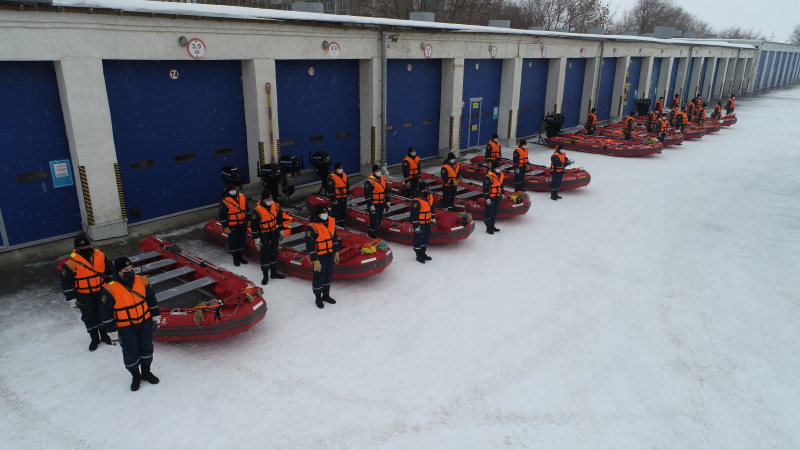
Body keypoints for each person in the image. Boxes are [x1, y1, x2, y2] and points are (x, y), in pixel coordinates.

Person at [99, 257, 161, 392]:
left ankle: (146, 372)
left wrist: (156, 316)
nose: (129, 271)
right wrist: (112, 332)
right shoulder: (109, 289)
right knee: (130, 352)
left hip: (144, 322)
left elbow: (151, 299)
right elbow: (106, 313)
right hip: (125, 327)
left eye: (130, 268)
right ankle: (136, 376)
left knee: (146, 348)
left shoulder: (142, 280)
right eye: (126, 270)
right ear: (118, 271)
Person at [60, 233, 115, 351]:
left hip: (101, 291)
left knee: (103, 314)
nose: (84, 248)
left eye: (86, 246)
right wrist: (71, 298)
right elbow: (66, 282)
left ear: (90, 245)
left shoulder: (101, 255)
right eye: (81, 247)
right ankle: (94, 338)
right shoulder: (70, 263)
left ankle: (105, 335)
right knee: (89, 317)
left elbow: (111, 271)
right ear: (76, 248)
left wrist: (112, 287)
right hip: (84, 295)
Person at [305, 203, 339, 309]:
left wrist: (336, 252)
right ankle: (318, 297)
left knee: (328, 274)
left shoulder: (330, 223)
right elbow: (310, 245)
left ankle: (326, 295)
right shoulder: (312, 227)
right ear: (318, 214)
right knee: (319, 276)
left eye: (326, 212)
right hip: (319, 256)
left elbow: (335, 239)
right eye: (323, 212)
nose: (325, 214)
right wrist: (315, 260)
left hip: (329, 253)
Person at [250, 190, 286, 285]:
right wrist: (256, 238)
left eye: (271, 199)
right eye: (268, 199)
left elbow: (280, 219)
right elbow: (254, 226)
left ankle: (273, 273)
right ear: (263, 199)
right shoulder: (257, 211)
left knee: (274, 252)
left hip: (274, 232)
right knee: (265, 255)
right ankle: (265, 275)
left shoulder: (276, 206)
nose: (270, 201)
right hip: (264, 234)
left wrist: (281, 230)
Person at [219, 184, 249, 267]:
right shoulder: (224, 202)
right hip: (232, 226)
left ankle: (240, 257)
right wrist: (226, 227)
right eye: (231, 190)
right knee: (233, 242)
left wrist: (249, 219)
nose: (233, 191)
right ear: (228, 192)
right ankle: (235, 258)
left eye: (234, 189)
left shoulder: (241, 197)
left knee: (242, 241)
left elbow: (247, 209)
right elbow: (222, 216)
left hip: (242, 224)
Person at [410, 181, 435, 264]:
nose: (426, 190)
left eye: (426, 188)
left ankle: (423, 252)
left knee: (426, 238)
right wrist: (416, 225)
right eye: (424, 189)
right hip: (420, 223)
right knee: (419, 238)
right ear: (420, 190)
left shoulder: (429, 197)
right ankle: (418, 255)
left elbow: (432, 208)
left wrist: (433, 218)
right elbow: (414, 214)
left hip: (427, 221)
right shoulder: (416, 200)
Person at [364, 164, 389, 239]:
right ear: (374, 172)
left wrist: (388, 202)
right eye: (378, 171)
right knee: (374, 221)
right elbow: (367, 195)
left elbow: (387, 191)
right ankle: (371, 236)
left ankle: (375, 234)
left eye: (380, 170)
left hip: (381, 203)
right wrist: (370, 205)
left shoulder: (383, 179)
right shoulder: (369, 182)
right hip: (374, 204)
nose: (379, 172)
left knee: (379, 220)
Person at [482, 159, 504, 234]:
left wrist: (502, 193)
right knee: (489, 212)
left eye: (499, 167)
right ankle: (488, 227)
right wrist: (487, 198)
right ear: (493, 168)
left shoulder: (500, 174)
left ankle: (492, 226)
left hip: (497, 196)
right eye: (497, 168)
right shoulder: (489, 177)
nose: (499, 169)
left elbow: (501, 185)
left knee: (494, 212)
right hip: (491, 197)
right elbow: (485, 189)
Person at [327, 162, 349, 226]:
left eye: (341, 168)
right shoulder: (331, 178)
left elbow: (347, 185)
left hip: (344, 196)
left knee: (343, 211)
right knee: (336, 211)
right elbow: (330, 189)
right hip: (336, 197)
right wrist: (333, 199)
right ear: (336, 169)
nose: (341, 169)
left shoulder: (344, 175)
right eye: (339, 168)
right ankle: (335, 224)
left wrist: (349, 193)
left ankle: (341, 224)